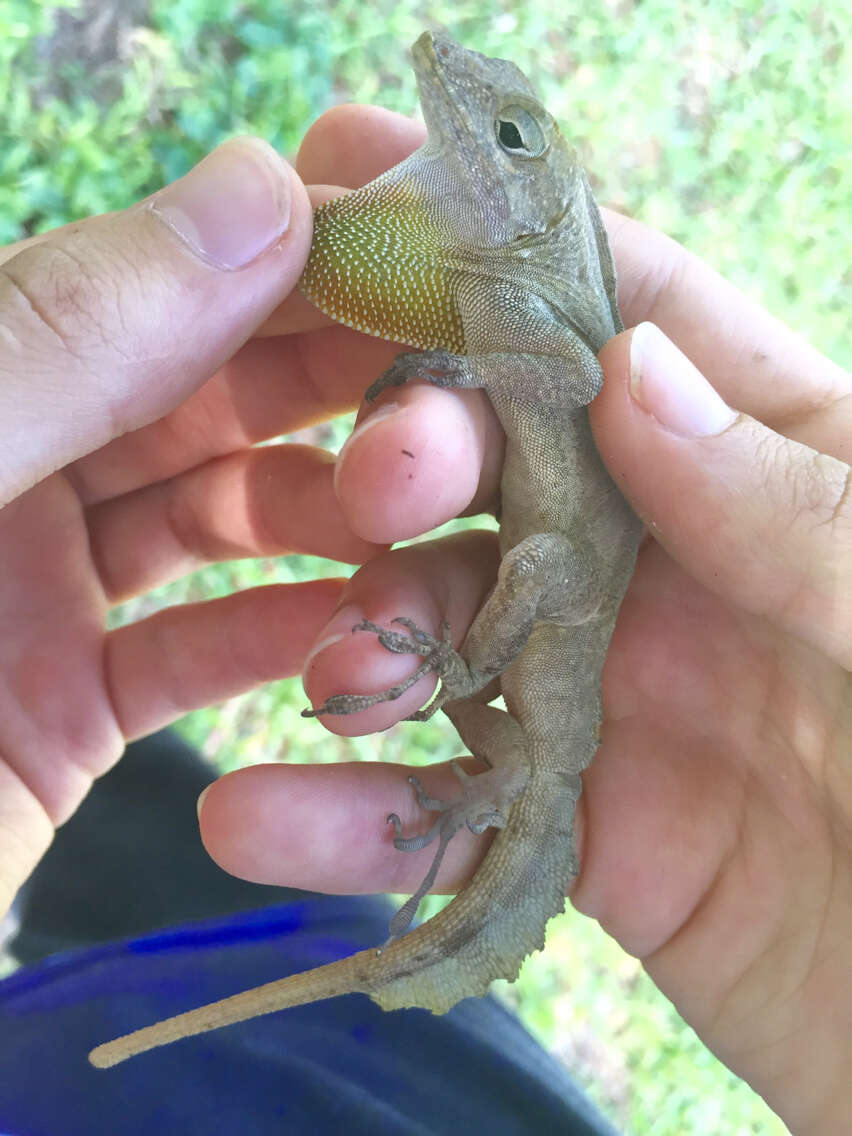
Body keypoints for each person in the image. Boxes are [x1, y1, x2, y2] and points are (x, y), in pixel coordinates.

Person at [0, 107, 848, 1135]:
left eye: (511, 135)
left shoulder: (576, 322)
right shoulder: (540, 294)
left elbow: (568, 397)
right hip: (545, 715)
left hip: (548, 668)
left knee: (518, 586)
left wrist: (455, 676)